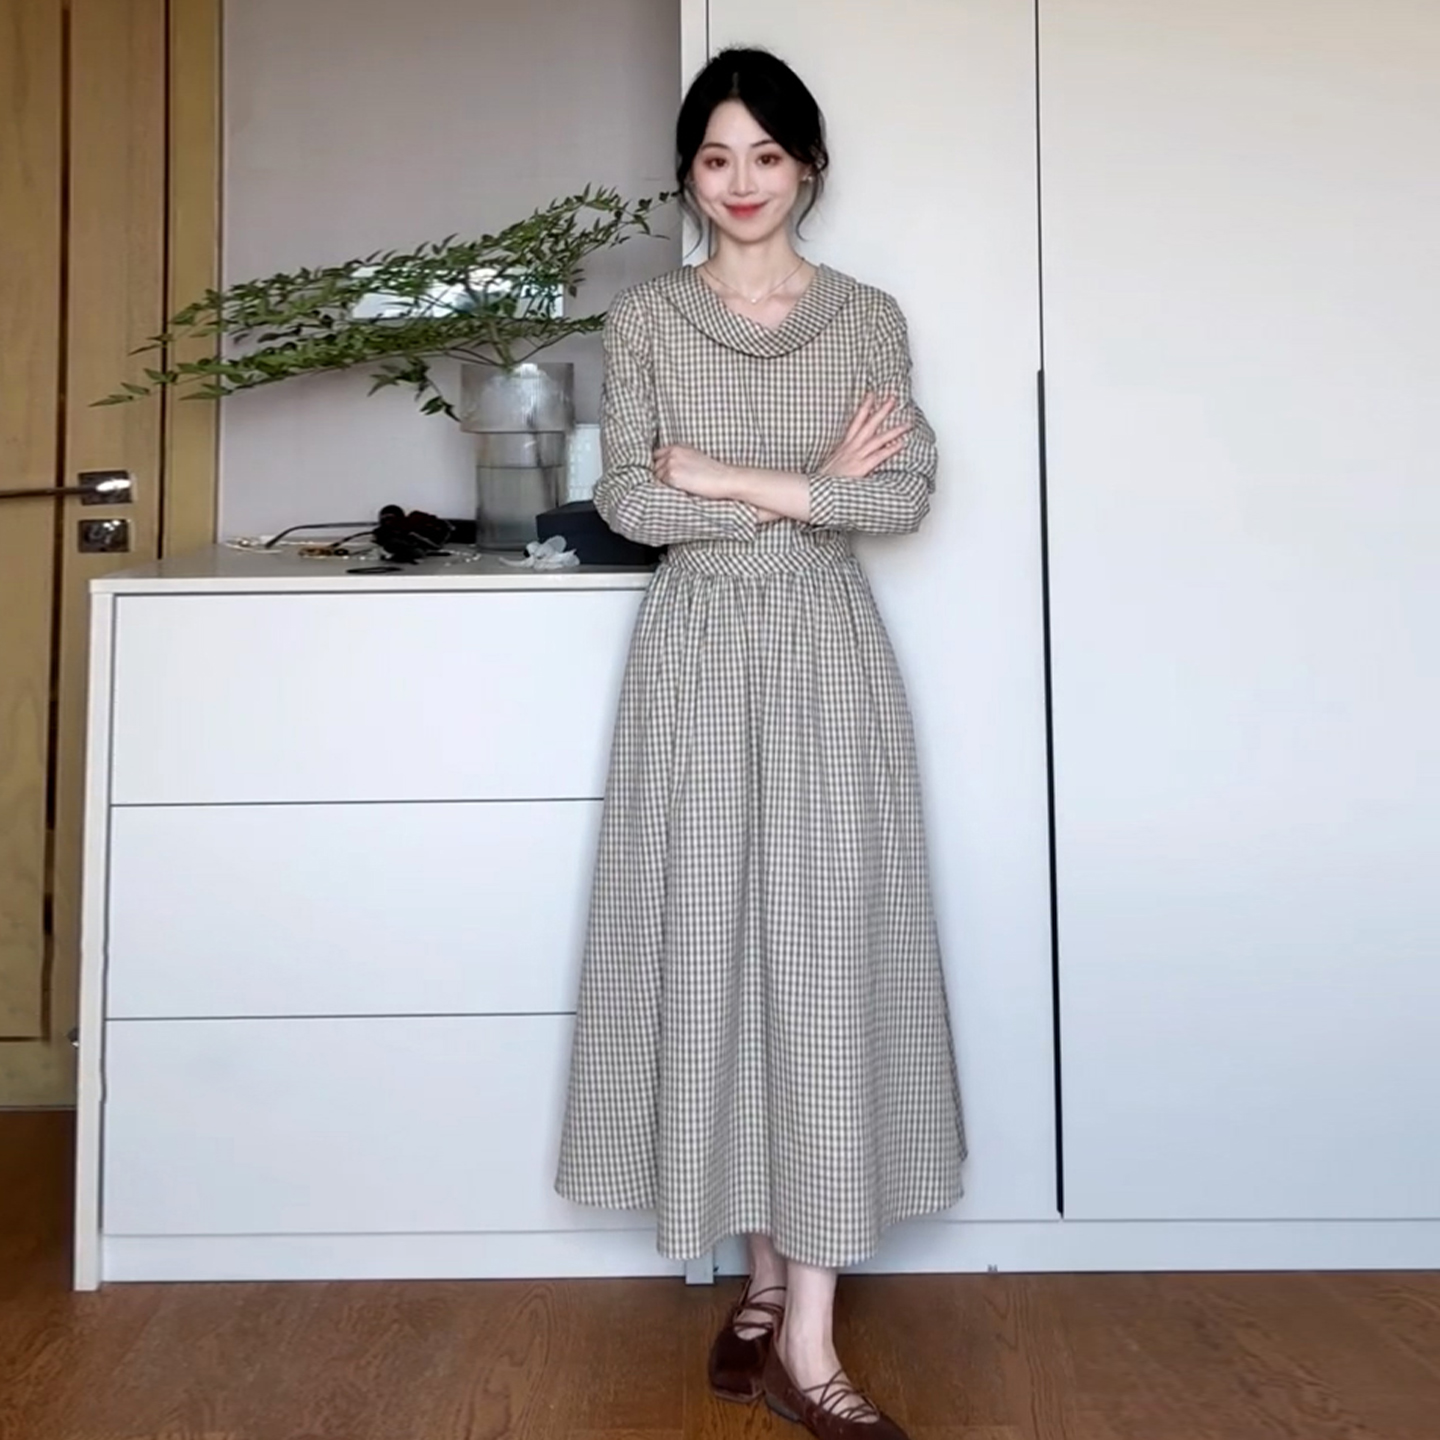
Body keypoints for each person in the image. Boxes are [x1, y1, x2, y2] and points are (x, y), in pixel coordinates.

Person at [555, 46, 966, 1440]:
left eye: (767, 157)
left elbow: (900, 495)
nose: (741, 183)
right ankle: (762, 1278)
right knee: (716, 943)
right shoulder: (648, 319)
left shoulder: (866, 320)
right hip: (692, 663)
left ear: (809, 168)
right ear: (689, 174)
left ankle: (808, 1339)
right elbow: (629, 498)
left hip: (827, 662)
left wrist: (727, 476)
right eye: (716, 157)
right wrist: (810, 489)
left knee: (824, 962)